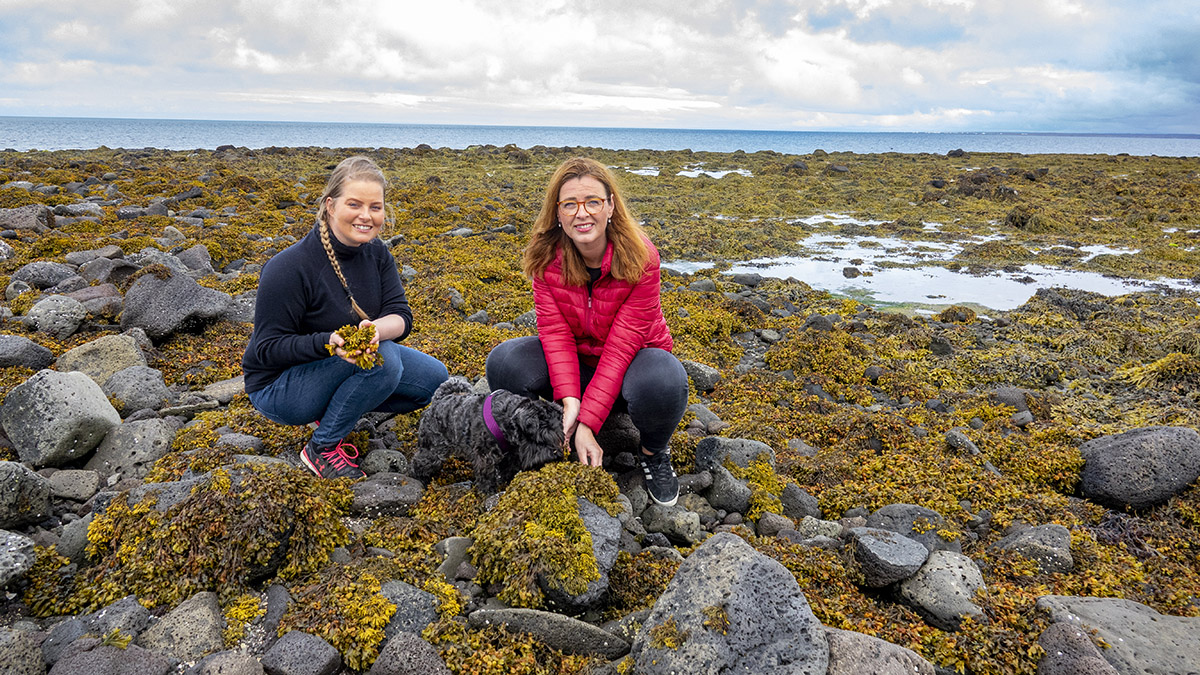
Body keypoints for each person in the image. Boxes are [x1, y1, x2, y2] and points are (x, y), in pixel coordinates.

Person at [485, 157, 688, 506]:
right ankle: (544, 439)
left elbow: (622, 347)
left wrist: (587, 425)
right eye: (570, 205)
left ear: (610, 206)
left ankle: (653, 451)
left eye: (593, 201)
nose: (582, 213)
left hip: (631, 369)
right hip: (578, 366)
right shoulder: (545, 258)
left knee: (665, 379)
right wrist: (570, 404)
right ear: (558, 214)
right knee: (504, 362)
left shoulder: (642, 258)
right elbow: (555, 334)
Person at [242, 155, 448, 479]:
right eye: (354, 204)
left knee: (434, 380)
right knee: (384, 360)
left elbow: (401, 316)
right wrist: (328, 343)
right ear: (330, 206)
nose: (366, 216)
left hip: (337, 364)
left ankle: (335, 410)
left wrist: (375, 330)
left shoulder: (378, 254)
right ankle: (321, 448)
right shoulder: (289, 268)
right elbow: (267, 349)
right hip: (278, 388)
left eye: (375, 207)